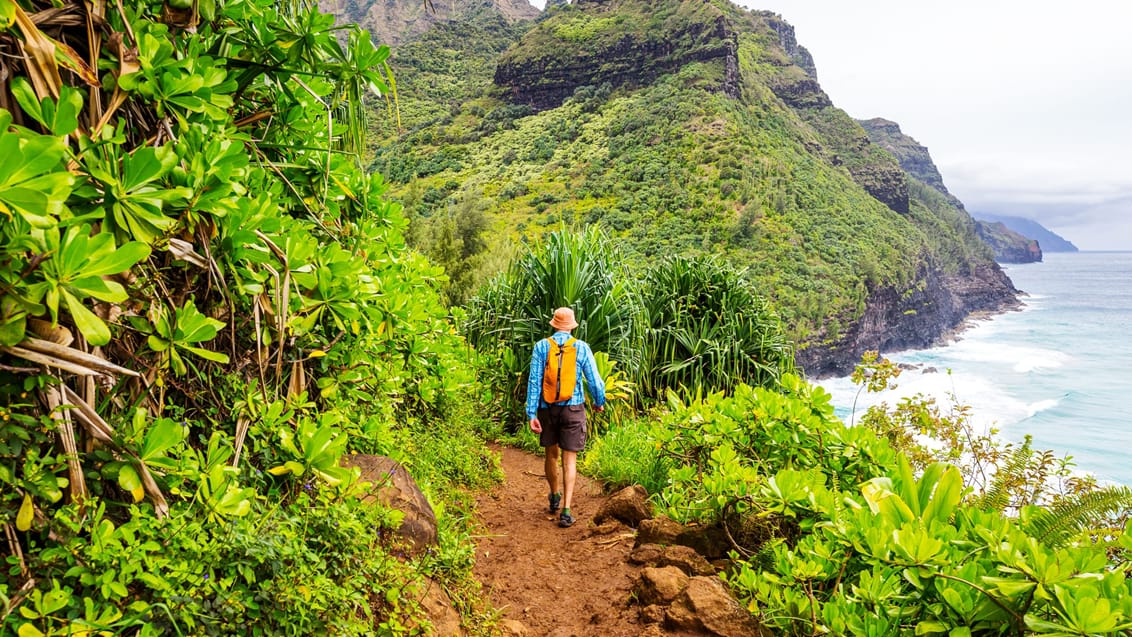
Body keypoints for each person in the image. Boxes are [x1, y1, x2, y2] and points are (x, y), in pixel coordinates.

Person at [526, 307, 606, 528]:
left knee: (551, 454)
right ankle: (566, 511)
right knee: (569, 460)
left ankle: (554, 496)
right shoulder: (581, 348)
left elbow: (534, 381)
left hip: (547, 408)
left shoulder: (542, 347)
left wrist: (531, 413)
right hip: (573, 408)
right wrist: (599, 402)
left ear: (553, 325)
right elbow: (595, 381)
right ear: (572, 326)